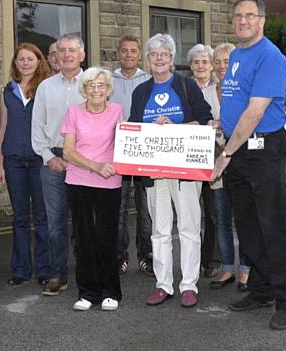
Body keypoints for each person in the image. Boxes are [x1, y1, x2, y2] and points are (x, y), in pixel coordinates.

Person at [212, 0, 286, 330]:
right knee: (247, 225)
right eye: (238, 16)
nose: (243, 21)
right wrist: (221, 127)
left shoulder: (270, 56)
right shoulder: (236, 55)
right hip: (238, 146)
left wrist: (225, 154)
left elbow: (255, 112)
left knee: (272, 225)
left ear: (261, 20)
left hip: (261, 148)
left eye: (250, 16)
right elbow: (235, 102)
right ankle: (261, 288)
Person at [129, 33, 212, 308]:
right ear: (148, 59)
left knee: (188, 227)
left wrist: (176, 128)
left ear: (172, 58)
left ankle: (188, 285)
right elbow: (134, 127)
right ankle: (163, 284)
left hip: (185, 171)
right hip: (153, 173)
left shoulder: (186, 85)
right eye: (154, 54)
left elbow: (205, 120)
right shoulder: (140, 91)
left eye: (164, 54)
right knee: (159, 230)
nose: (159, 58)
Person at [62, 67, 124, 311]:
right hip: (79, 181)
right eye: (91, 86)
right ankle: (87, 293)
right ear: (84, 89)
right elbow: (68, 151)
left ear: (108, 89)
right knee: (83, 238)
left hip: (109, 182)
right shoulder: (73, 113)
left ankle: (111, 292)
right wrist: (94, 166)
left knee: (107, 238)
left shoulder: (118, 111)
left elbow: (125, 144)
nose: (96, 90)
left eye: (101, 85)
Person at [32, 33, 86, 296]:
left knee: (85, 220)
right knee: (55, 223)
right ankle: (58, 274)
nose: (66, 55)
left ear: (82, 55)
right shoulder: (45, 87)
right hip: (52, 159)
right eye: (61, 50)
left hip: (84, 159)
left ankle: (88, 273)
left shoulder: (93, 83)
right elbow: (37, 127)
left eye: (71, 50)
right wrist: (48, 157)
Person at [0, 43, 52, 286]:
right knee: (19, 216)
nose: (26, 63)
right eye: (21, 59)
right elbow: (3, 127)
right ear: (16, 63)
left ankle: (44, 268)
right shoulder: (7, 91)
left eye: (30, 59)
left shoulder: (47, 89)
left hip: (39, 158)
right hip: (14, 160)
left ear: (39, 61)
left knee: (41, 216)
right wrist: (0, 164)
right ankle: (20, 269)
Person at [109, 35, 152, 276]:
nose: (128, 55)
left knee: (146, 208)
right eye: (124, 50)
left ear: (139, 55)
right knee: (119, 207)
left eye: (133, 51)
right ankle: (120, 255)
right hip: (117, 152)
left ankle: (146, 255)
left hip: (144, 152)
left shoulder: (149, 80)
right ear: (118, 53)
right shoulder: (108, 81)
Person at [211, 42, 251, 291]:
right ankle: (227, 267)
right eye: (218, 61)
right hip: (214, 162)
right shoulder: (206, 90)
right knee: (221, 218)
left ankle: (246, 270)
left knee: (244, 218)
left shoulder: (244, 89)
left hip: (241, 160)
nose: (222, 66)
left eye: (227, 61)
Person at [187, 44, 222, 280]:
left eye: (205, 62)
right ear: (190, 66)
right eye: (196, 62)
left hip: (216, 152)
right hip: (188, 154)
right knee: (189, 211)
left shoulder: (220, 89)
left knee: (213, 210)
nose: (201, 66)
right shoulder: (183, 87)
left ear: (211, 65)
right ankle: (191, 260)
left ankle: (212, 259)